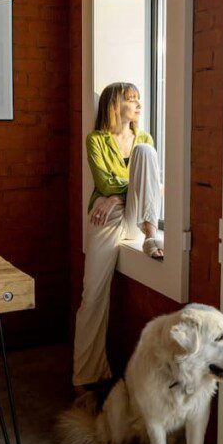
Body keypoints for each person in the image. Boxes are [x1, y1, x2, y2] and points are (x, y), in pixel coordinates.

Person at [72, 82, 163, 393]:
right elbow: (103, 181)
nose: (139, 105)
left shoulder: (145, 139)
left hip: (138, 218)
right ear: (114, 106)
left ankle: (152, 234)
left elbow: (153, 184)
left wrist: (115, 195)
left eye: (139, 100)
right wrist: (114, 197)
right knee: (92, 297)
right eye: (131, 100)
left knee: (146, 152)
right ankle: (86, 377)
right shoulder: (95, 140)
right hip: (108, 220)